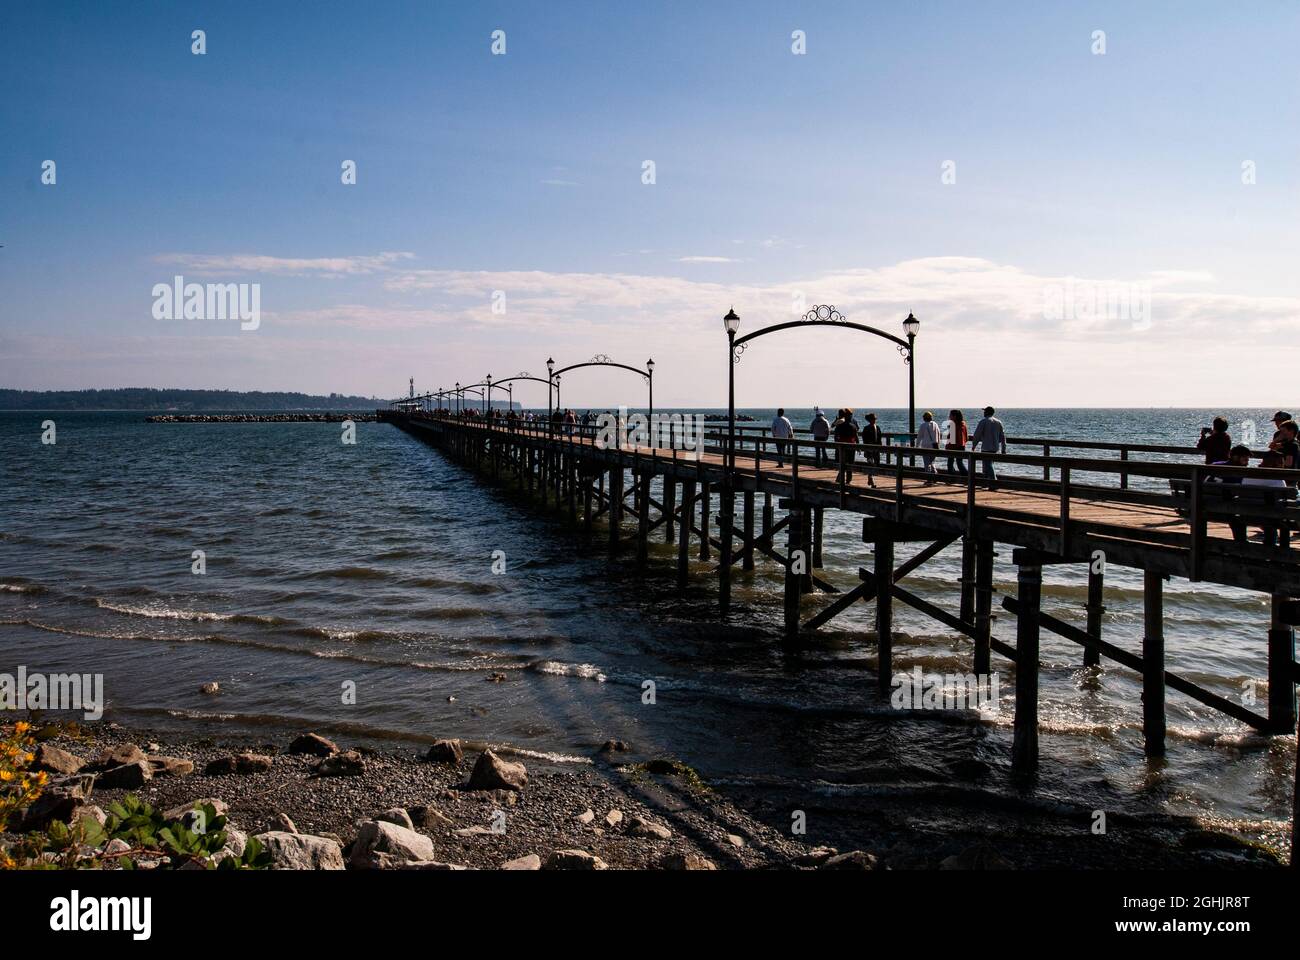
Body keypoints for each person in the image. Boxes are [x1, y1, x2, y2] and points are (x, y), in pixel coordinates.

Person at [970, 406, 1006, 484]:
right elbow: (1002, 437)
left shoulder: (983, 421)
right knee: (988, 465)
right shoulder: (998, 422)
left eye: (985, 411)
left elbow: (977, 435)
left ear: (987, 412)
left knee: (988, 466)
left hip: (986, 447)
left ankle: (994, 483)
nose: (984, 412)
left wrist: (974, 445)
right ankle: (986, 482)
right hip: (995, 448)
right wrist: (1003, 449)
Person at [834, 408, 859, 485]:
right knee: (850, 463)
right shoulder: (853, 426)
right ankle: (848, 480)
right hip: (851, 446)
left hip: (842, 446)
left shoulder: (839, 426)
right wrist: (858, 446)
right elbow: (856, 437)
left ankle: (840, 477)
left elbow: (836, 436)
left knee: (842, 462)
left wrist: (836, 445)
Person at [917, 410, 940, 482]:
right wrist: (938, 444)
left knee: (927, 463)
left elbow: (919, 437)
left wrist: (917, 446)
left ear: (924, 418)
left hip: (925, 447)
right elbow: (939, 434)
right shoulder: (935, 424)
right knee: (932, 462)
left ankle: (929, 478)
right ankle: (935, 476)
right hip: (934, 446)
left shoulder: (923, 425)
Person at [861, 413, 883, 488]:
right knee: (870, 464)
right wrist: (865, 450)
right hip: (869, 449)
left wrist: (881, 448)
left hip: (876, 449)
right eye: (872, 419)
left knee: (876, 464)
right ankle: (872, 480)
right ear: (869, 420)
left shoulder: (878, 427)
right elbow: (864, 440)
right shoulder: (866, 428)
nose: (874, 420)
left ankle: (870, 477)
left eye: (874, 419)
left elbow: (879, 439)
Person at [945, 409, 968, 475]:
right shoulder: (963, 424)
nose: (949, 417)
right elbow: (966, 437)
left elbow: (951, 439)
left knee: (950, 463)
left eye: (950, 415)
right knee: (960, 463)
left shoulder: (953, 425)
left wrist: (947, 447)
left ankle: (951, 478)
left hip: (953, 447)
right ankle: (966, 477)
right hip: (961, 446)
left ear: (954, 416)